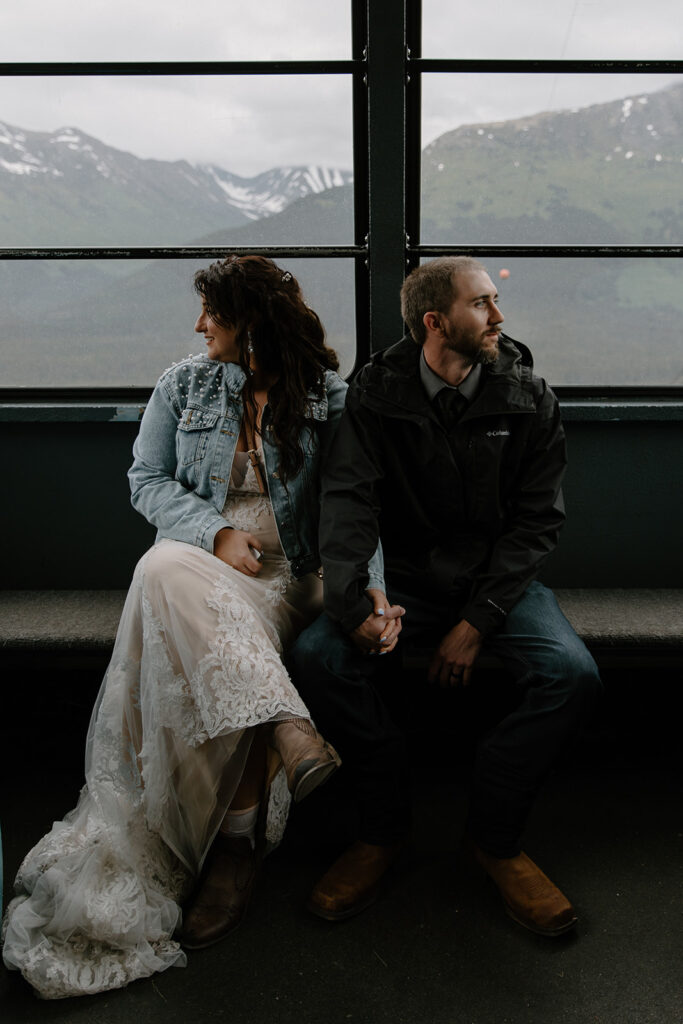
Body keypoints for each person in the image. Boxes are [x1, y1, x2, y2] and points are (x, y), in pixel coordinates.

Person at [2, 255, 386, 999]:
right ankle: (282, 737)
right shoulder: (182, 385)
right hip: (202, 568)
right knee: (162, 570)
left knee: (177, 594)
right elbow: (145, 479)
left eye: (210, 311)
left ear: (248, 322)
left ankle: (237, 842)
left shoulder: (330, 399)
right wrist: (212, 533)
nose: (198, 325)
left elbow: (357, 509)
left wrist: (370, 592)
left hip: (292, 575)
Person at [289, 256, 602, 937]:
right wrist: (356, 605)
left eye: (494, 301)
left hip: (495, 584)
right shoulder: (372, 397)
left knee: (569, 674)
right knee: (319, 657)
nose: (498, 316)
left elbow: (536, 523)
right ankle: (381, 829)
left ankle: (493, 840)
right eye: (481, 303)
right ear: (435, 322)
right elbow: (347, 507)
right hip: (398, 582)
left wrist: (477, 620)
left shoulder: (527, 396)